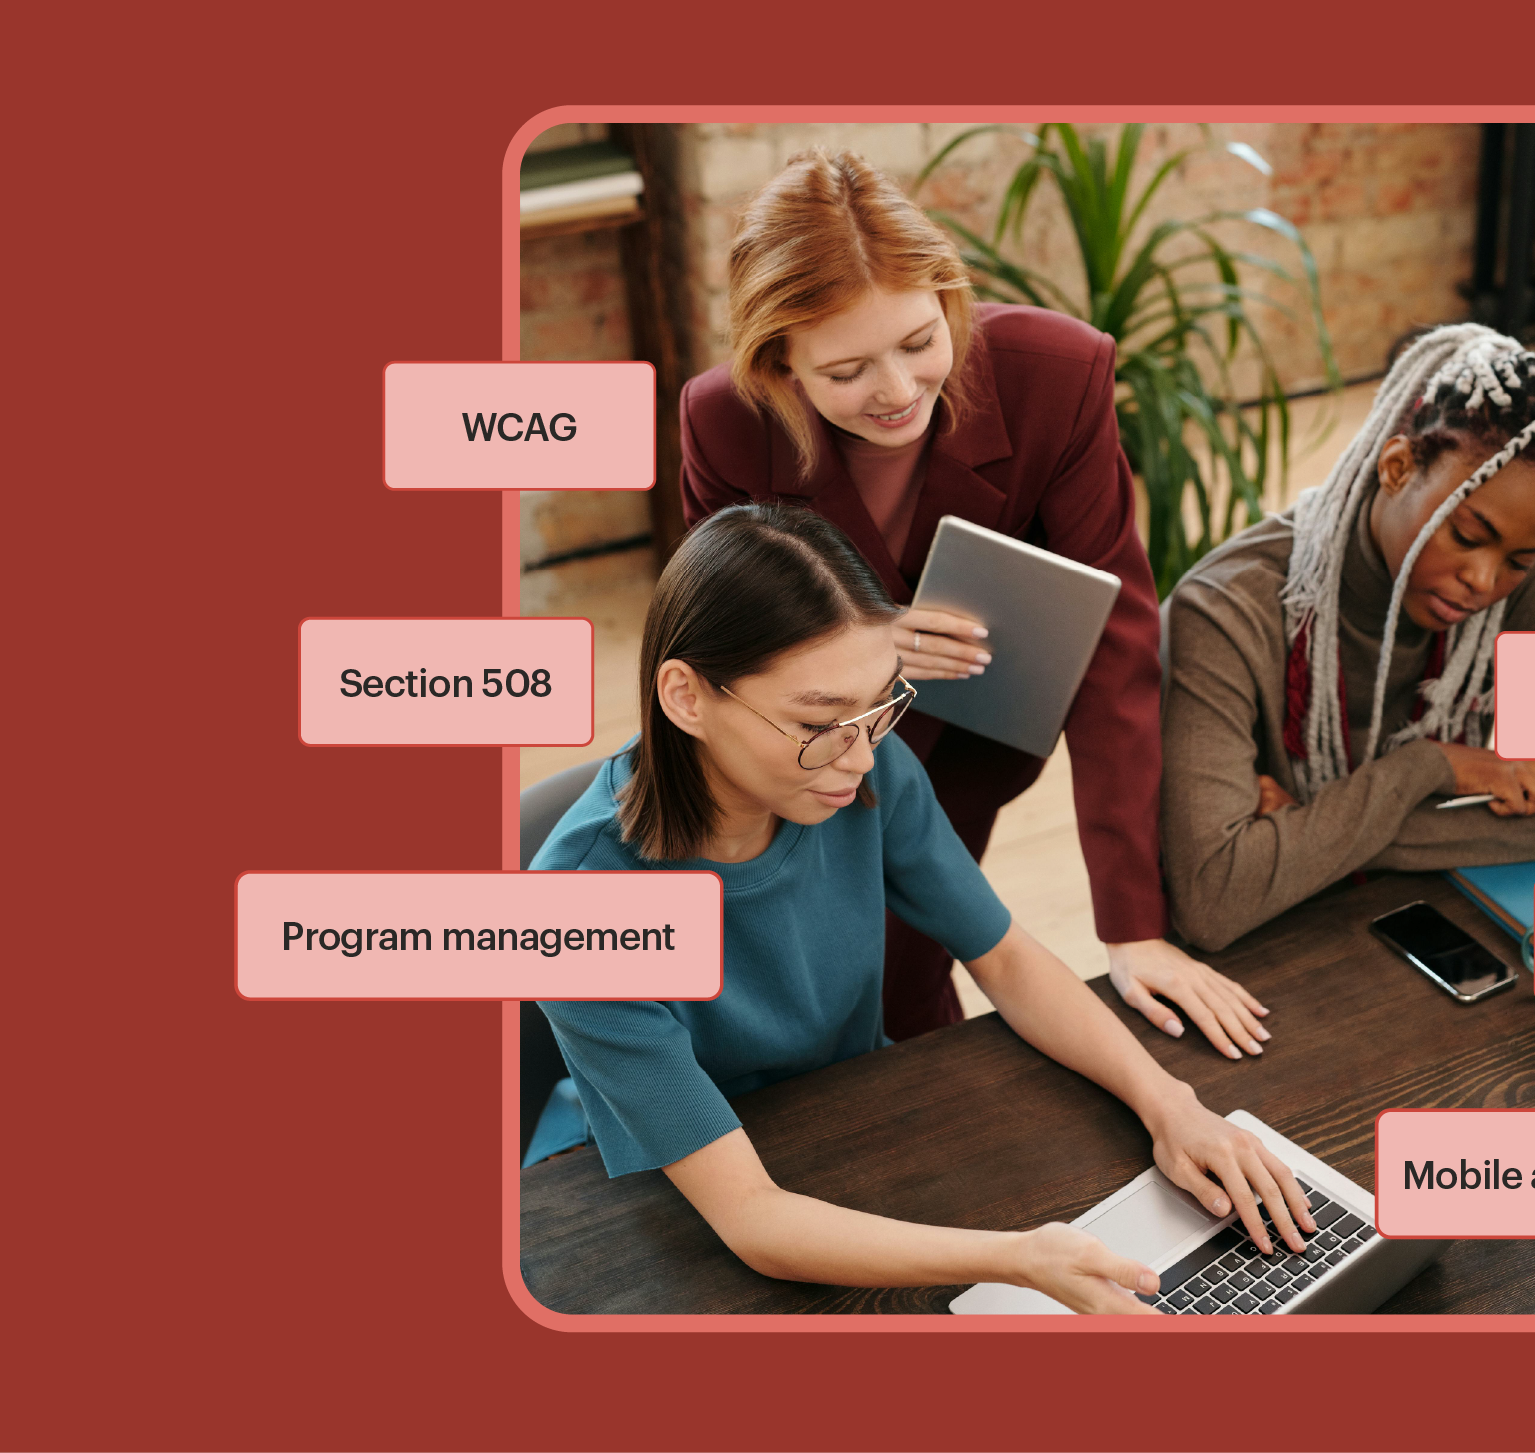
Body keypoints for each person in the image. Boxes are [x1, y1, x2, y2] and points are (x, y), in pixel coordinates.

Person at [531, 504, 1315, 1313]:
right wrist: (1022, 1258)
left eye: (879, 707)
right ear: (686, 697)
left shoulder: (865, 771)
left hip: (857, 1125)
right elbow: (751, 1218)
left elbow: (1005, 958)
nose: (862, 753)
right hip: (678, 1208)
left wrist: (1171, 1105)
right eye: (817, 722)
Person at [676, 147, 1268, 1061]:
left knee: (910, 960)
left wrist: (1131, 924)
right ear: (778, 363)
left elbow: (1117, 647)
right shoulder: (721, 420)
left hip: (973, 735)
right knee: (802, 973)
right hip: (801, 741)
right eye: (845, 371)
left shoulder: (1056, 376)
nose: (899, 390)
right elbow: (721, 633)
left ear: (948, 297)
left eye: (919, 342)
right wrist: (867, 639)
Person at [1160, 324, 1535, 951]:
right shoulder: (1224, 609)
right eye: (1466, 534)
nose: (1484, 580)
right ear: (1398, 467)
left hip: (1423, 914)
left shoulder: (1530, 580)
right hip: (1265, 963)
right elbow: (1215, 895)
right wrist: (1433, 769)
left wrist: (1304, 821)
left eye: (1518, 559)